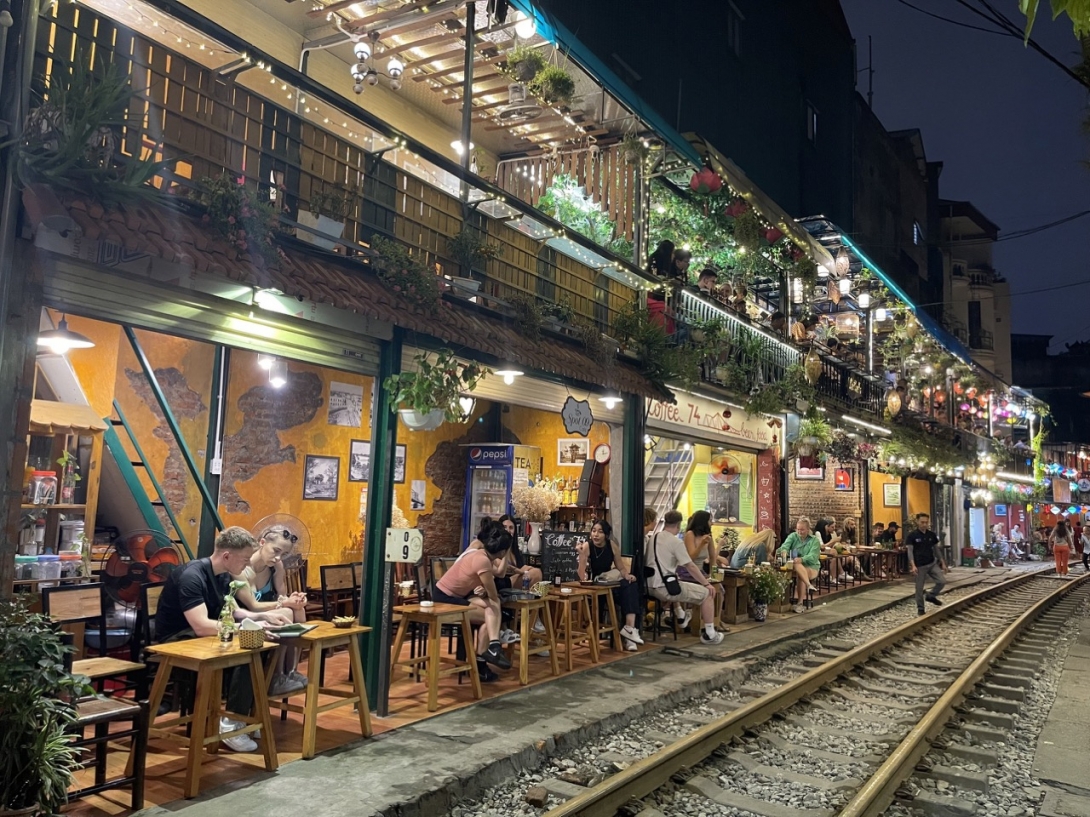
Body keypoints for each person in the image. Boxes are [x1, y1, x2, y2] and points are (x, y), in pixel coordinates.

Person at [155, 526, 292, 752]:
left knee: (260, 643)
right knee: (248, 647)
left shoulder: (222, 575)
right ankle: (231, 723)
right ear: (227, 556)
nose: (247, 565)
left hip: (202, 635)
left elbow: (233, 611)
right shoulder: (192, 576)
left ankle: (244, 716)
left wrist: (262, 616)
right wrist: (247, 628)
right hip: (178, 640)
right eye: (245, 559)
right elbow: (201, 626)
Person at [433, 523, 514, 681]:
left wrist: (485, 594)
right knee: (491, 614)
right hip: (444, 598)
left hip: (460, 596)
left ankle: (489, 652)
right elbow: (493, 595)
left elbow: (492, 584)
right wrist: (489, 596)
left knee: (491, 613)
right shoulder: (482, 560)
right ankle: (489, 652)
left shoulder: (483, 556)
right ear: (502, 552)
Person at [233, 527, 309, 696]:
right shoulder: (243, 567)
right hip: (246, 617)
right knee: (285, 613)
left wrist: (295, 601)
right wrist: (285, 603)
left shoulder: (277, 567)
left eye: (284, 554)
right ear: (262, 542)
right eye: (276, 551)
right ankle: (275, 676)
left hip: (268, 614)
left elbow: (282, 597)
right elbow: (253, 606)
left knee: (298, 611)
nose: (278, 558)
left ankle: (291, 671)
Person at [645, 510, 724, 645]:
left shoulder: (653, 537)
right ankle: (710, 634)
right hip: (665, 587)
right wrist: (706, 584)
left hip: (648, 586)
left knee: (678, 582)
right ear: (678, 524)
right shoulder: (676, 542)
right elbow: (690, 565)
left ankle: (681, 615)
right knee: (708, 594)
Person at [575, 520, 643, 650]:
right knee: (628, 593)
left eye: (600, 532)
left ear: (606, 535)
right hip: (595, 587)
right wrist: (582, 555)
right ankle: (629, 635)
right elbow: (581, 574)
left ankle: (629, 629)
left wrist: (627, 575)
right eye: (594, 531)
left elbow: (621, 568)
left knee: (631, 586)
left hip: (609, 584)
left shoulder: (612, 545)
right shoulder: (587, 546)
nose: (596, 534)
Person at [666, 511, 716, 628]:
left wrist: (712, 573)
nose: (712, 523)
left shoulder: (709, 536)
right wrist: (701, 544)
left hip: (700, 570)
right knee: (705, 590)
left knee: (720, 590)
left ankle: (715, 620)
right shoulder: (690, 534)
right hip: (686, 570)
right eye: (710, 520)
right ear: (703, 521)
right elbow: (690, 558)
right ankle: (691, 616)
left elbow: (712, 556)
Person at [776, 517, 822, 613]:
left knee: (800, 573)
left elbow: (813, 557)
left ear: (808, 530)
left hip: (811, 566)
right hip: (795, 565)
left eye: (802, 530)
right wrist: (784, 551)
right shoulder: (793, 536)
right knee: (796, 567)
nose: (799, 532)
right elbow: (785, 546)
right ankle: (808, 586)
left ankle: (800, 603)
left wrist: (802, 559)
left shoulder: (814, 541)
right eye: (798, 529)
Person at [906, 512, 946, 615]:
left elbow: (936, 549)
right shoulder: (912, 536)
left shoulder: (931, 535)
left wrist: (942, 562)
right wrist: (913, 565)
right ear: (917, 522)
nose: (924, 524)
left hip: (932, 563)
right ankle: (920, 609)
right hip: (920, 565)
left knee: (941, 581)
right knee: (919, 588)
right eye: (922, 522)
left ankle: (931, 595)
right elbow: (910, 551)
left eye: (926, 522)